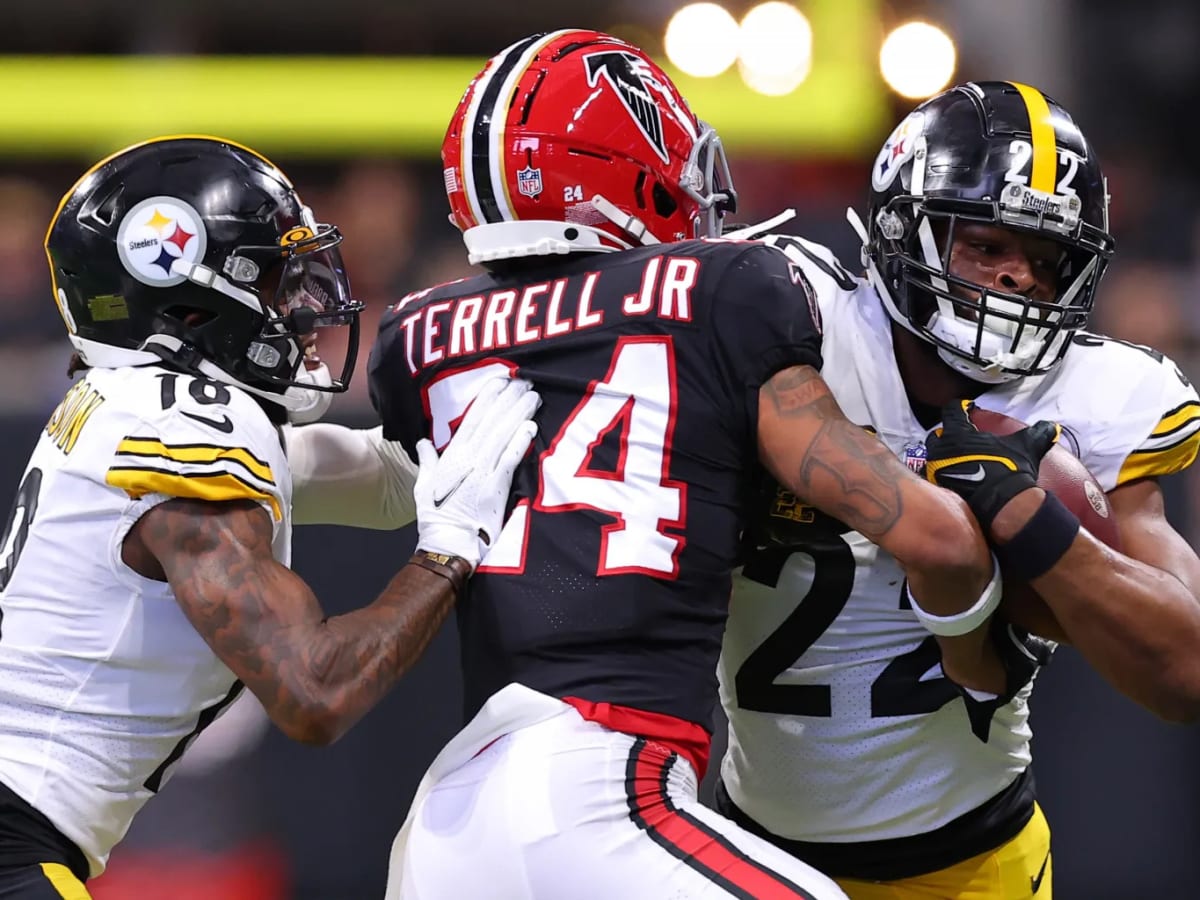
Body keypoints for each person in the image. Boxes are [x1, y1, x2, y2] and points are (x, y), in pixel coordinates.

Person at [365, 31, 1029, 900]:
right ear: (623, 168)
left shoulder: (421, 334)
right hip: (604, 794)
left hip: (446, 818)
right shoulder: (723, 291)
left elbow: (370, 474)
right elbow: (935, 542)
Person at [0, 135, 540, 899]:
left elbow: (390, 477)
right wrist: (447, 551)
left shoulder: (135, 407)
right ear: (188, 299)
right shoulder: (179, 424)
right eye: (278, 280)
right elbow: (313, 693)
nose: (306, 307)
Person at [716, 81, 1200, 900]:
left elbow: (1185, 670)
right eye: (988, 245)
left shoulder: (1093, 397)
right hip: (751, 857)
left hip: (973, 866)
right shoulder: (798, 328)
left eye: (1045, 264)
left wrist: (1035, 523)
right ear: (906, 229)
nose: (1018, 280)